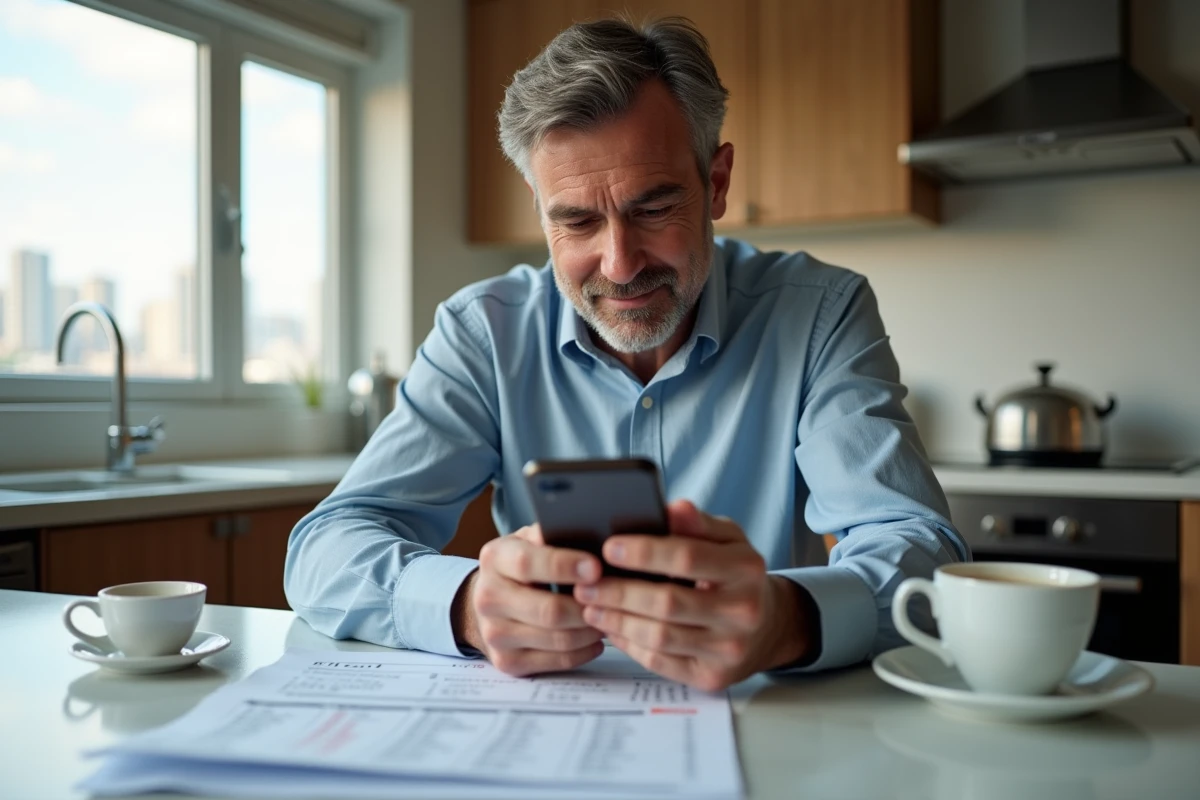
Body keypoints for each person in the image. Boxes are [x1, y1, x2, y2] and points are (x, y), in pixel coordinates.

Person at [285, 16, 967, 692]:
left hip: (762, 724)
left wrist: (784, 620)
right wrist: (464, 604)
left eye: (653, 209)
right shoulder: (482, 332)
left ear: (718, 181)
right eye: (577, 220)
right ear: (539, 210)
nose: (618, 265)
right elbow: (328, 547)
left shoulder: (819, 313)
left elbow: (918, 549)